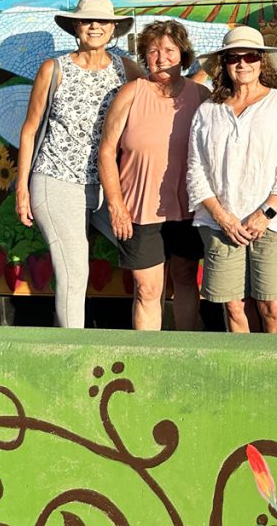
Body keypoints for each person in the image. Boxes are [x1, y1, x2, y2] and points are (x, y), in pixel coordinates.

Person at [15, 0, 143, 329]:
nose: (95, 27)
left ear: (114, 28)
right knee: (74, 271)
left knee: (145, 251)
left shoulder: (125, 68)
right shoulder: (53, 68)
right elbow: (29, 131)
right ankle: (72, 353)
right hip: (56, 179)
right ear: (76, 26)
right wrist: (21, 189)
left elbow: (162, 92)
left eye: (102, 21)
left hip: (107, 183)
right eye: (87, 21)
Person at [186, 26, 277, 334]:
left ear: (262, 61)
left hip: (273, 221)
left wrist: (266, 212)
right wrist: (222, 217)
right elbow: (195, 170)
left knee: (273, 306)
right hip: (220, 223)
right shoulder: (207, 111)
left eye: (250, 56)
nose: (242, 63)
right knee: (233, 305)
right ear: (224, 64)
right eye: (233, 57)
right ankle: (245, 374)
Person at [98, 20, 210, 331]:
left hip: (188, 209)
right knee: (147, 289)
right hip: (138, 209)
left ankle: (188, 349)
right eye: (153, 51)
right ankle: (148, 360)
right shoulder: (131, 92)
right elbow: (106, 151)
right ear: (145, 57)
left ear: (183, 55)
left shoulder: (200, 95)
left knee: (186, 279)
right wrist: (116, 205)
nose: (161, 57)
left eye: (169, 50)